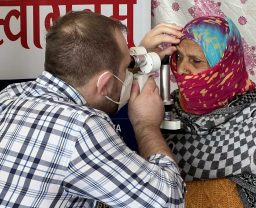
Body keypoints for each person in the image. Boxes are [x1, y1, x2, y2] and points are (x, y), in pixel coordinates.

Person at [0, 11, 186, 207]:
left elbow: (99, 89)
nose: (128, 73)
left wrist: (135, 57)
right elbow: (169, 201)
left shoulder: (9, 95)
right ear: (104, 83)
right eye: (126, 68)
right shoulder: (82, 127)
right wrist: (146, 126)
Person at [162, 16, 256, 207]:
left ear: (225, 67)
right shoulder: (169, 110)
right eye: (179, 57)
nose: (183, 68)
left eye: (196, 61)